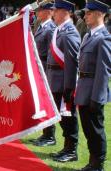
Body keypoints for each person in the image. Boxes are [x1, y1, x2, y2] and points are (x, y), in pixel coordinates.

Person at [74, 1, 110, 170]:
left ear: (100, 14)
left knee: (96, 129)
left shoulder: (104, 37)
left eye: (89, 13)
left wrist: (97, 97)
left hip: (93, 92)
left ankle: (98, 164)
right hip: (83, 89)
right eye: (86, 13)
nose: (85, 16)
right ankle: (92, 161)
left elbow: (103, 71)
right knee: (88, 129)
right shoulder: (88, 35)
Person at [47, 0, 81, 163]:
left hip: (63, 82)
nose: (53, 13)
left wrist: (69, 88)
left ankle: (72, 150)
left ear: (66, 12)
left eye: (56, 10)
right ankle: (67, 148)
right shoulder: (59, 30)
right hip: (55, 79)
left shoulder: (69, 32)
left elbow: (72, 63)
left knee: (68, 117)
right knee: (62, 118)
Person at [30, 1, 57, 146]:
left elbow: (50, 53)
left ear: (48, 12)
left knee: (47, 102)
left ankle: (50, 136)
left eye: (40, 10)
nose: (37, 12)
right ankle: (45, 134)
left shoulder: (51, 28)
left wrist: (45, 72)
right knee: (42, 102)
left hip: (46, 69)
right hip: (39, 68)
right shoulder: (40, 26)